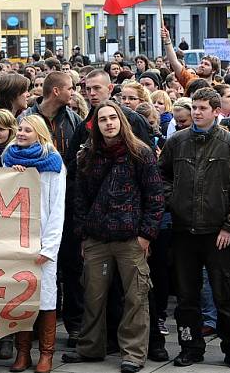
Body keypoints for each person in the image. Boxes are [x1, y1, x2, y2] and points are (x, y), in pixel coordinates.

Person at [63, 101, 164, 373]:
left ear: (121, 121)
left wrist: (146, 235)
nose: (108, 123)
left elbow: (155, 197)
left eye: (112, 118)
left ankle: (132, 354)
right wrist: (83, 235)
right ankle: (90, 347)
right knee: (93, 295)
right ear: (95, 125)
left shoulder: (140, 153)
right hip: (96, 237)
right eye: (103, 119)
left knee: (135, 297)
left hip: (131, 237)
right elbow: (80, 199)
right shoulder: (87, 155)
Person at [159, 87, 230, 369]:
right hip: (184, 232)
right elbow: (161, 175)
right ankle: (190, 347)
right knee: (186, 297)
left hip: (218, 233)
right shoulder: (177, 141)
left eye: (202, 108)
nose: (196, 113)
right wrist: (174, 199)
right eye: (194, 108)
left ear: (216, 111)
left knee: (225, 295)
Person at [3, 115, 66, 373]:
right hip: (16, 241)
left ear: (39, 134)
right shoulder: (8, 158)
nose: (21, 133)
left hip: (42, 240)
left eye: (27, 130)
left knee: (46, 296)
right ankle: (23, 352)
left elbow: (57, 209)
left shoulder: (54, 164)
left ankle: (46, 354)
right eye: (19, 128)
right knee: (20, 296)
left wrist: (49, 248)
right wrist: (11, 177)